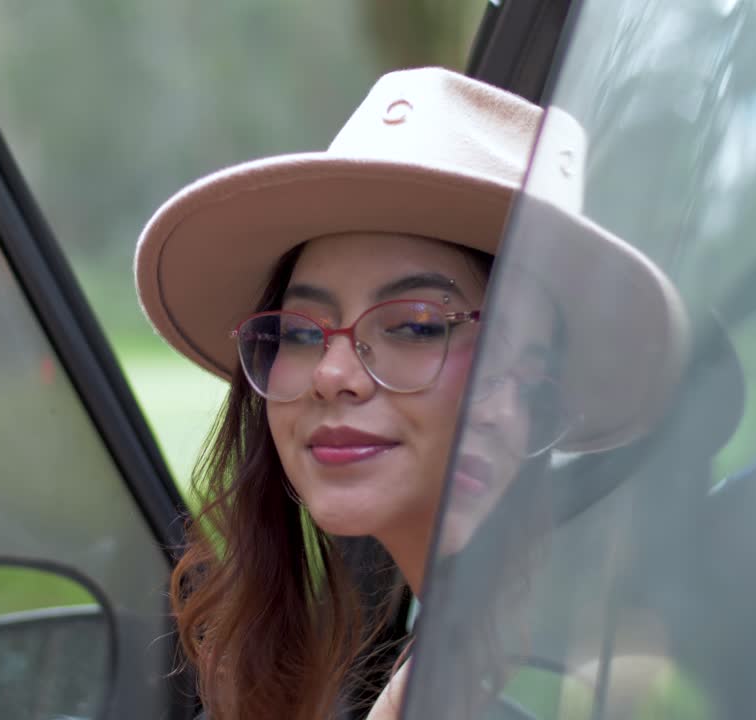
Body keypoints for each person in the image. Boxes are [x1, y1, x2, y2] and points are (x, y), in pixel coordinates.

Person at [134, 67, 686, 719]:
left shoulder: (572, 676)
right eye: (298, 332)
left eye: (416, 325)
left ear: (533, 386)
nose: (330, 374)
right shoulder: (444, 656)